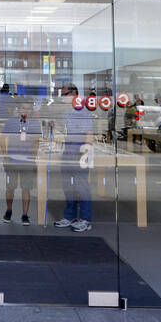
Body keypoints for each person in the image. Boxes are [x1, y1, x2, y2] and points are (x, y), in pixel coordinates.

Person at [54, 84, 93, 232]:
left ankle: (86, 219)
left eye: (65, 94)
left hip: (81, 151)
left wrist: (85, 154)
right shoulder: (67, 113)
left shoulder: (83, 112)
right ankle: (70, 216)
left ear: (74, 93)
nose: (63, 97)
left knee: (82, 187)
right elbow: (63, 129)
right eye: (62, 94)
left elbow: (89, 134)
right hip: (68, 152)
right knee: (68, 186)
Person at [3, 103, 40, 225]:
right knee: (10, 188)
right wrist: (5, 156)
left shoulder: (34, 123)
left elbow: (36, 142)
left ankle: (25, 215)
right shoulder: (10, 123)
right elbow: (2, 140)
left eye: (28, 108)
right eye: (24, 108)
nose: (26, 110)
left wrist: (33, 157)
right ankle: (9, 211)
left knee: (26, 188)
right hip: (12, 160)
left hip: (27, 161)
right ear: (18, 108)